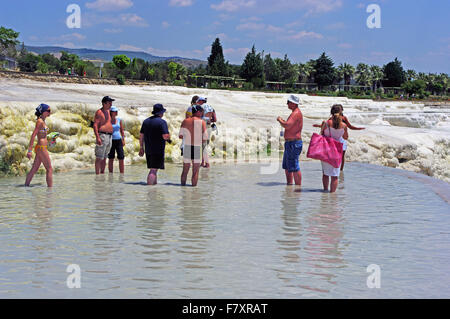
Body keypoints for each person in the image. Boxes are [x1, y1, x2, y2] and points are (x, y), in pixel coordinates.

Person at [313, 104, 364, 171]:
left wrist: (319, 126)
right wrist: (358, 128)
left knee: (332, 157)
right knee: (342, 157)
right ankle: (340, 172)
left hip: (332, 140)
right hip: (341, 140)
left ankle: (331, 170)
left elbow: (326, 126)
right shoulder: (344, 119)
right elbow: (350, 127)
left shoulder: (330, 119)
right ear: (341, 111)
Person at [139, 104, 171, 185]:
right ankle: (150, 188)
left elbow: (141, 136)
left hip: (148, 149)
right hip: (158, 149)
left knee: (154, 168)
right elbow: (165, 136)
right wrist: (168, 138)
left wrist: (141, 147)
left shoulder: (146, 121)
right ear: (161, 113)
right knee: (153, 170)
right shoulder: (162, 122)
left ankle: (154, 188)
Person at [320, 105, 348, 193]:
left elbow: (321, 133)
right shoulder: (344, 125)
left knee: (325, 173)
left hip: (326, 150)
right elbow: (346, 137)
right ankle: (332, 196)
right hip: (337, 151)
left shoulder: (327, 123)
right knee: (335, 175)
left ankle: (325, 192)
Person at [277, 95, 303, 186]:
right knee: (287, 166)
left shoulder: (296, 113)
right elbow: (289, 125)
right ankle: (289, 186)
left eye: (288, 102)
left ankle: (297, 188)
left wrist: (280, 120)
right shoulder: (294, 113)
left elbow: (287, 125)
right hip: (290, 143)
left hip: (293, 143)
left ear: (293, 103)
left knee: (294, 167)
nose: (287, 104)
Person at [25, 104, 53, 187]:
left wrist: (51, 139)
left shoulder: (42, 121)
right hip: (41, 148)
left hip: (41, 147)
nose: (49, 112)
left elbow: (42, 135)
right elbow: (33, 135)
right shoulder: (40, 122)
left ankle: (26, 186)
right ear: (43, 112)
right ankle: (50, 192)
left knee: (34, 169)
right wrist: (29, 151)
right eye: (48, 111)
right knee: (49, 169)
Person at [179, 105, 208, 187]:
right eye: (202, 111)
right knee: (195, 171)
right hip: (196, 147)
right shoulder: (201, 122)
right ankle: (194, 190)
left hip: (187, 146)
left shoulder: (185, 121)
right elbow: (205, 138)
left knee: (185, 170)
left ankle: (183, 188)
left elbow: (180, 136)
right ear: (198, 112)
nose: (202, 113)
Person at [93, 96, 114, 175]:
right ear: (104, 103)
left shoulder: (109, 111)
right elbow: (95, 125)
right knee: (99, 157)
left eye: (111, 102)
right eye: (109, 102)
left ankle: (102, 174)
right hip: (102, 135)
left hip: (109, 136)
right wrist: (97, 137)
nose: (111, 104)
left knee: (105, 156)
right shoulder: (99, 112)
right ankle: (97, 174)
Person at [196, 96, 217, 168]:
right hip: (208, 127)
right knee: (205, 145)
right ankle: (203, 162)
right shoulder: (212, 108)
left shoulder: (200, 107)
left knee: (201, 146)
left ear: (201, 101)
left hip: (201, 127)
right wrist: (208, 120)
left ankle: (206, 163)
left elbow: (198, 117)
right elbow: (215, 119)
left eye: (198, 101)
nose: (197, 102)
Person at [108, 106, 126, 174]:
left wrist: (123, 139)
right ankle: (110, 174)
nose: (116, 112)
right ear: (111, 112)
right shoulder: (108, 120)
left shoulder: (119, 120)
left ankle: (122, 174)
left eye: (116, 111)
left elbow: (121, 130)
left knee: (121, 157)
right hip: (111, 140)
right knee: (111, 157)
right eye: (114, 111)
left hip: (118, 140)